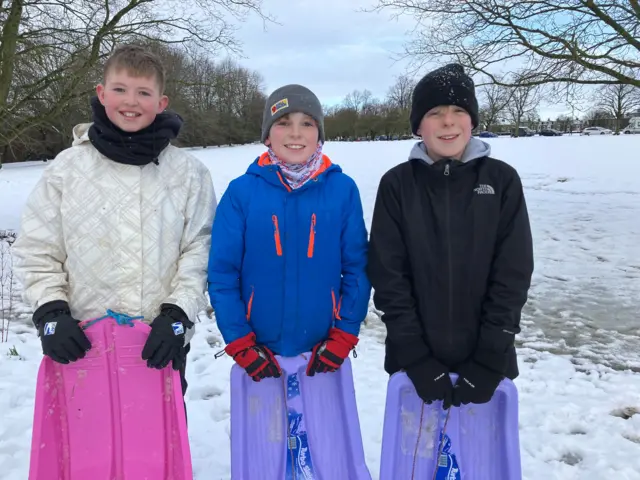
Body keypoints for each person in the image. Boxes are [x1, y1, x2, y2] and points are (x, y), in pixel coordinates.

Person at [12, 44, 216, 398]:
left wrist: (178, 315)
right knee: (87, 448)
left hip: (158, 342)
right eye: (120, 90)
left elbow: (201, 248)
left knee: (158, 447)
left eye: (143, 93)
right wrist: (50, 312)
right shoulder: (66, 169)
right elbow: (38, 246)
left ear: (161, 102)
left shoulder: (189, 174)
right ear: (102, 94)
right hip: (82, 343)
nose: (131, 101)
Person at [367, 64, 534, 408]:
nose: (448, 121)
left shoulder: (501, 180)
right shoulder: (397, 185)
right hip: (414, 364)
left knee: (478, 459)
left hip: (487, 361)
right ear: (418, 125)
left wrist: (490, 358)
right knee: (419, 460)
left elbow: (513, 272)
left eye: (459, 111)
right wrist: (415, 357)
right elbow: (388, 276)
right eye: (435, 112)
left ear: (472, 121)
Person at [208, 84, 370, 380]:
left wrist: (344, 333)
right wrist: (239, 340)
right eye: (284, 123)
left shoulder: (342, 190)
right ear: (268, 135)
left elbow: (357, 268)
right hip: (259, 350)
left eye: (307, 124)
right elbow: (222, 273)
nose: (296, 133)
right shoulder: (241, 193)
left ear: (319, 134)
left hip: (322, 352)